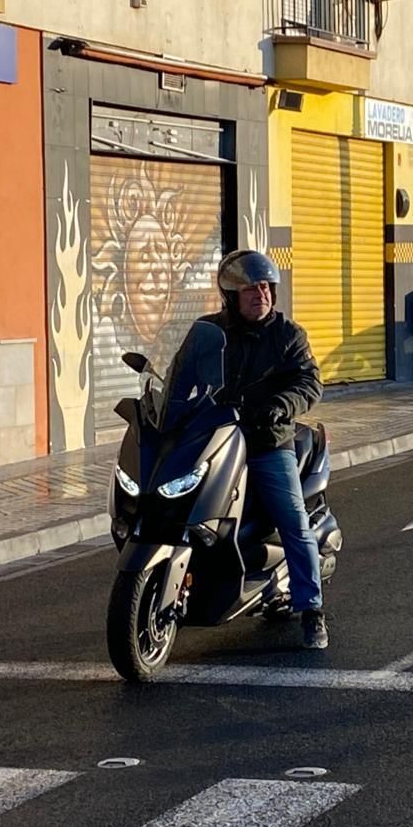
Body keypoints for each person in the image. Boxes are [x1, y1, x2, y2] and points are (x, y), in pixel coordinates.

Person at [177, 249, 328, 648]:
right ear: (230, 296)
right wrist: (166, 408)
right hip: (215, 437)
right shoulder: (207, 333)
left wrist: (282, 406)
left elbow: (310, 383)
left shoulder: (288, 335)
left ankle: (311, 609)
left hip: (266, 441)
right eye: (249, 289)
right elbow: (179, 378)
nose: (260, 294)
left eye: (265, 287)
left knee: (293, 520)